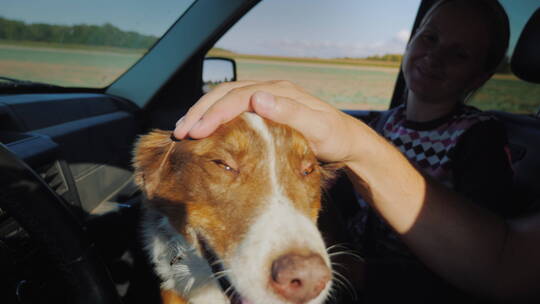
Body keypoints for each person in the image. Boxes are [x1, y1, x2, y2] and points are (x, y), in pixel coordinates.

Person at [171, 2, 540, 302]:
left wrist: (361, 273)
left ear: (479, 76)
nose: (435, 56)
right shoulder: (385, 123)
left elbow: (476, 262)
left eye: (458, 54)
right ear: (410, 43)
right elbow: (341, 203)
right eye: (429, 38)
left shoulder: (480, 137)